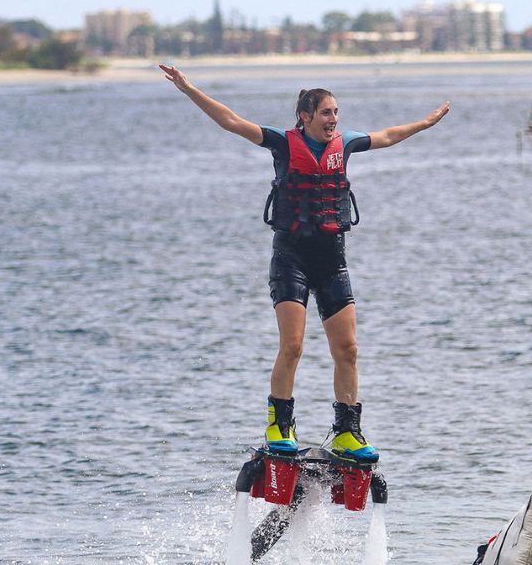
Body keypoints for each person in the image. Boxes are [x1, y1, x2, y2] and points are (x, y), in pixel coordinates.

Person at [160, 63, 449, 463]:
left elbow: (389, 135)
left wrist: (427, 122)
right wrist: (189, 88)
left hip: (332, 260)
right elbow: (230, 120)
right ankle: (280, 426)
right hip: (290, 259)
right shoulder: (281, 142)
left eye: (336, 113)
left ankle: (347, 431)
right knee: (292, 346)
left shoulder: (344, 145)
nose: (334, 120)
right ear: (305, 116)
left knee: (347, 349)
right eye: (326, 112)